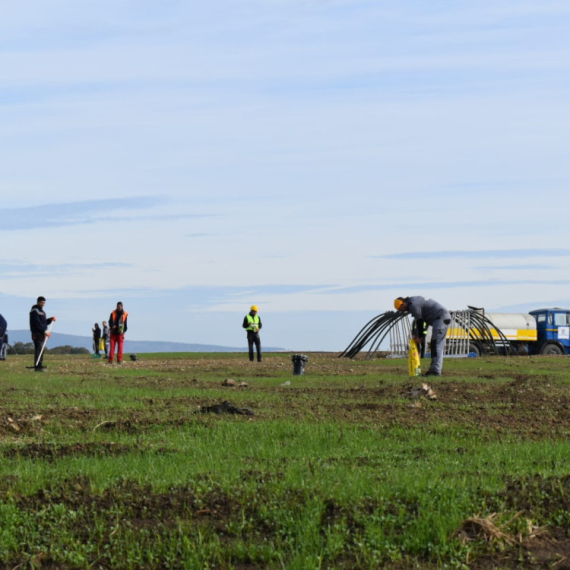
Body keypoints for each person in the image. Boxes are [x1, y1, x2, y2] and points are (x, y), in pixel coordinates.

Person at [395, 296, 451, 376]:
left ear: (403, 303)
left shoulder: (413, 305)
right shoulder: (414, 301)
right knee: (436, 344)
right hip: (441, 318)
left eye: (401, 308)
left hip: (441, 318)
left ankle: (436, 371)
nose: (403, 311)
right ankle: (434, 369)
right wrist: (418, 334)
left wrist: (420, 336)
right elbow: (421, 321)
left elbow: (420, 321)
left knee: (436, 345)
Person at [29, 296, 57, 372]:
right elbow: (37, 323)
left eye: (44, 303)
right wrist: (44, 331)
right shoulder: (34, 311)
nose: (43, 304)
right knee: (38, 349)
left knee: (42, 349)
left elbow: (44, 323)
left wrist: (50, 320)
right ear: (38, 302)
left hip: (42, 334)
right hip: (37, 333)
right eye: (41, 302)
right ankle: (37, 366)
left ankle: (40, 364)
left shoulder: (42, 312)